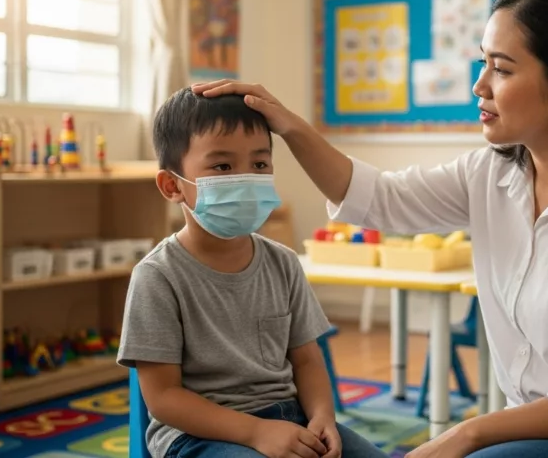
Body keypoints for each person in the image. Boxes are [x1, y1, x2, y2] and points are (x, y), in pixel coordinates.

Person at [192, 0, 548, 457]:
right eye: (483, 62)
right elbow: (377, 198)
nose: (480, 85)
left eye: (502, 69)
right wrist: (287, 125)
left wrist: (468, 432)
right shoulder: (491, 173)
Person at [117, 90, 388, 458]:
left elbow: (307, 359)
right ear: (172, 185)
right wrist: (257, 432)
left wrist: (323, 416)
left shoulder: (284, 263)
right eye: (223, 167)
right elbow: (163, 398)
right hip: (198, 435)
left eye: (259, 165)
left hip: (289, 419)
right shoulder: (158, 276)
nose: (245, 179)